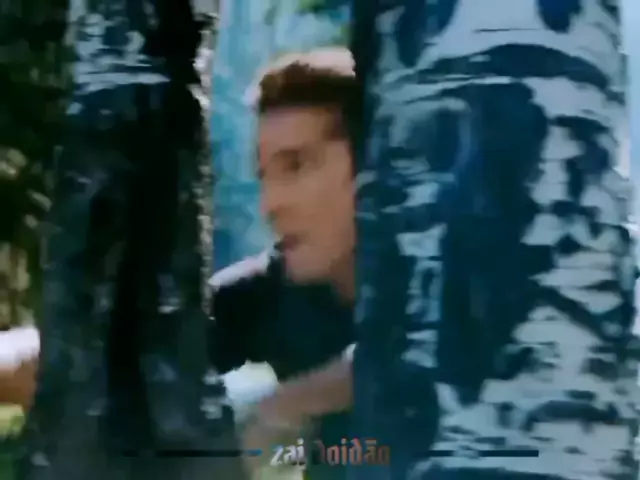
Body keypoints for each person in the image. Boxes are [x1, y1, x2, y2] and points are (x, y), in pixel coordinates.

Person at [0, 47, 360, 479]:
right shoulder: (272, 293)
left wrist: (296, 402)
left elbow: (401, 355)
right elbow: (114, 347)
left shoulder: (435, 277)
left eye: (296, 165)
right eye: (265, 176)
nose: (272, 204)